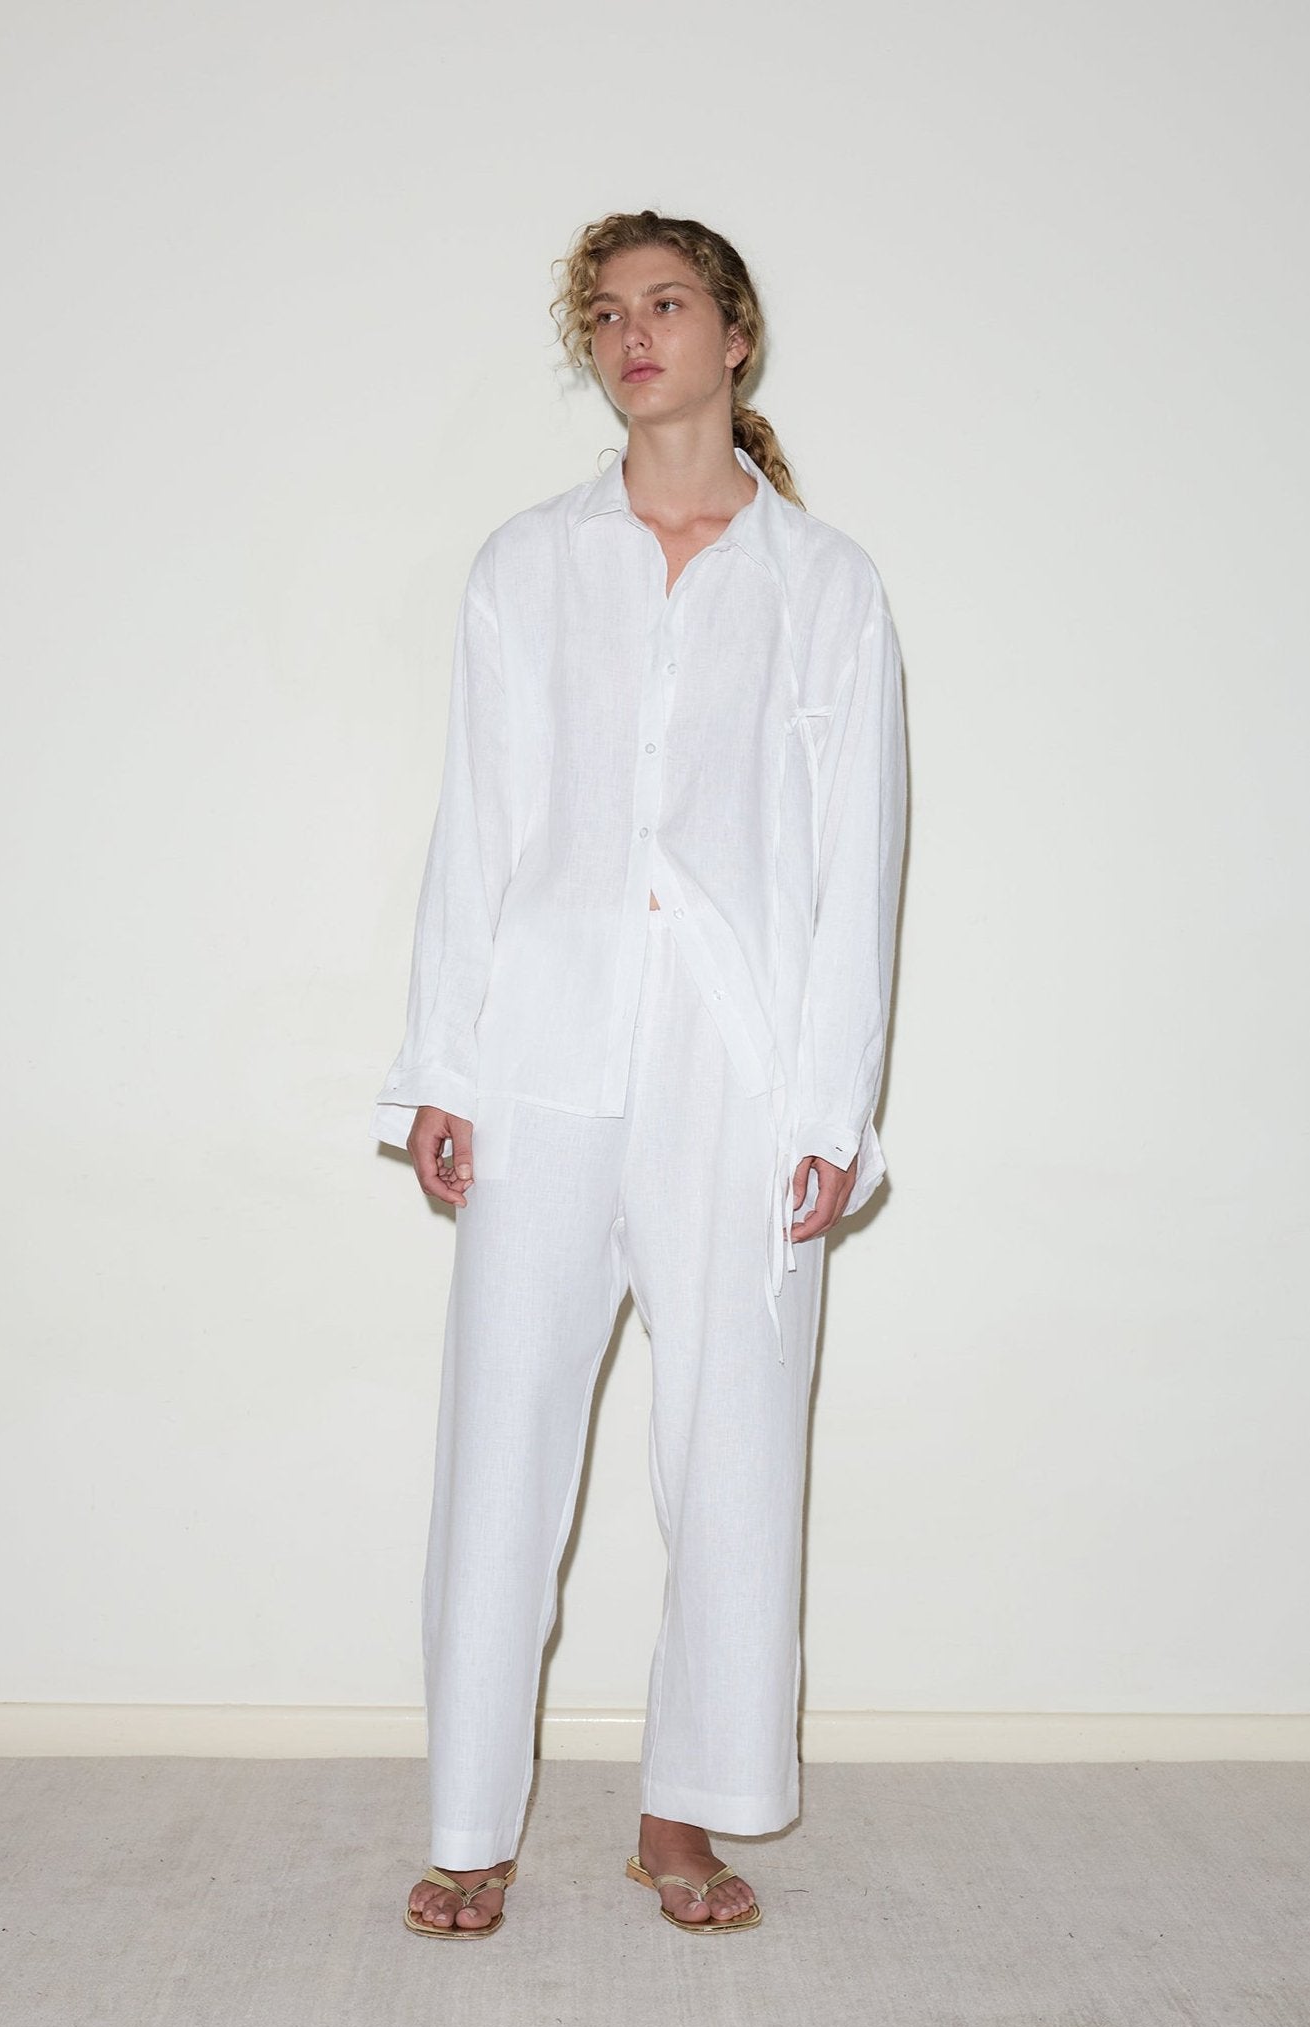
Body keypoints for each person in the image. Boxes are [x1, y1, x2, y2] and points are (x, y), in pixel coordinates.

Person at [370, 209, 907, 1938]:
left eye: (666, 305)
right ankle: (470, 1826)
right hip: (541, 1048)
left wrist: (826, 1111)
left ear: (734, 336)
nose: (633, 335)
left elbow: (852, 866)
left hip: (739, 1080)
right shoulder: (523, 567)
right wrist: (442, 1060)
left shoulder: (825, 585)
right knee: (501, 1443)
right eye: (605, 313)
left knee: (733, 1448)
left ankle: (683, 1815)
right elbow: (482, 826)